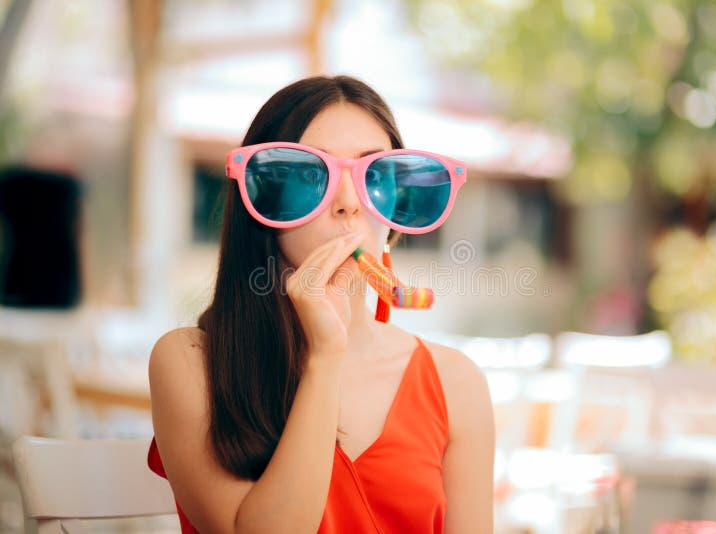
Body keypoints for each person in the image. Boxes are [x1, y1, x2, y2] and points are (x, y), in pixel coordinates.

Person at [147, 75, 495, 533]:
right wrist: (324, 356)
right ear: (259, 200)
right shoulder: (189, 362)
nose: (348, 203)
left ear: (391, 221)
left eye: (374, 176)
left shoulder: (456, 384)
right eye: (309, 176)